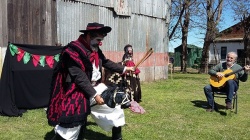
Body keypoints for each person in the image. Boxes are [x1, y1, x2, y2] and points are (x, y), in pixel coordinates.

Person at [47, 22, 134, 140]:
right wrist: (95, 95)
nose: (100, 43)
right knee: (71, 125)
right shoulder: (72, 51)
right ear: (88, 36)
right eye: (98, 39)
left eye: (101, 40)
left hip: (95, 86)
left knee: (114, 108)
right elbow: (80, 78)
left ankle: (117, 138)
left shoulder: (95, 49)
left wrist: (124, 68)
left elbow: (106, 62)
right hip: (76, 90)